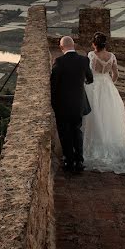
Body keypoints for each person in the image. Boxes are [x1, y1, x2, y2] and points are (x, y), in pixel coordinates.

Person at [83, 32, 125, 174]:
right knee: (108, 116)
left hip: (94, 87)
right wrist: (110, 82)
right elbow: (116, 74)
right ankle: (108, 145)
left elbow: (89, 73)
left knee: (93, 115)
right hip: (108, 86)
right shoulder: (112, 57)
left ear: (94, 44)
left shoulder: (92, 55)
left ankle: (93, 146)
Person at [50, 36, 92, 172]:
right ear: (73, 45)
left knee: (64, 132)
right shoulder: (84, 60)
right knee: (77, 130)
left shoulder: (59, 62)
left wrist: (54, 104)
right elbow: (90, 78)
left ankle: (69, 161)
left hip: (63, 105)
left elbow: (53, 85)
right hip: (79, 104)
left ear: (61, 48)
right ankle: (79, 161)